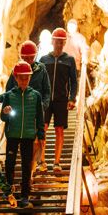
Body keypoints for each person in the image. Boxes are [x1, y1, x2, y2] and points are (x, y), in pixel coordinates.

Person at [0, 61, 45, 208]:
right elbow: (3, 118)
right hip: (12, 135)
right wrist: (5, 112)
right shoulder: (9, 96)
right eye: (21, 78)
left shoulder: (36, 96)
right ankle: (9, 192)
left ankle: (24, 196)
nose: (24, 81)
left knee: (26, 166)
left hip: (28, 136)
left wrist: (41, 135)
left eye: (27, 78)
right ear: (16, 78)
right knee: (9, 164)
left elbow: (40, 117)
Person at [6, 40, 51, 173]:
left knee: (37, 141)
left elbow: (47, 90)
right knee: (25, 143)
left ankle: (33, 170)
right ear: (21, 57)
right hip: (21, 113)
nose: (29, 61)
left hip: (36, 111)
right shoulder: (17, 70)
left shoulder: (41, 69)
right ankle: (28, 172)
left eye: (31, 58)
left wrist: (43, 106)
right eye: (26, 58)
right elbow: (8, 89)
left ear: (35, 56)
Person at [40, 27, 78, 173]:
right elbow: (39, 81)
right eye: (57, 41)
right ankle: (41, 161)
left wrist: (72, 98)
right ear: (52, 41)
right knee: (42, 129)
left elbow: (73, 81)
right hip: (46, 99)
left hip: (61, 100)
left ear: (64, 43)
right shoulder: (44, 59)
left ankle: (56, 162)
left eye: (62, 42)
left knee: (59, 129)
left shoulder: (69, 60)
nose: (59, 44)